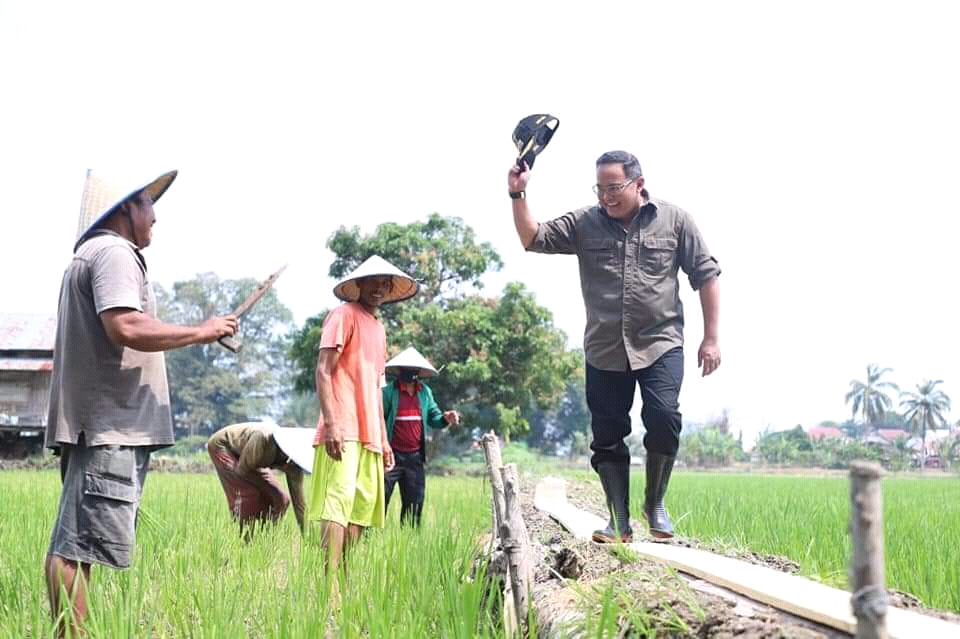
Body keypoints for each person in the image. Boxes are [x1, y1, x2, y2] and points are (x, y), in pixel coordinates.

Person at [44, 169, 238, 637]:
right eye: (150, 205)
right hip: (110, 425)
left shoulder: (93, 255)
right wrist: (202, 331)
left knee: (77, 544)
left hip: (102, 424)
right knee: (75, 548)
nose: (156, 217)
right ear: (127, 207)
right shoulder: (114, 252)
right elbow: (126, 327)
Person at [507, 150, 721, 543]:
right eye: (600, 188)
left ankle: (654, 504)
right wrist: (517, 194)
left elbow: (706, 275)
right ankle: (617, 520)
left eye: (614, 187)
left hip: (661, 342)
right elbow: (532, 237)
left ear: (638, 184)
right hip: (605, 347)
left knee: (663, 416)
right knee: (607, 435)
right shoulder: (585, 223)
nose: (606, 196)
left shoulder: (674, 220)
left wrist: (710, 338)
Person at [307, 255, 418, 583]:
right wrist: (332, 423)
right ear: (358, 285)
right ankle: (328, 587)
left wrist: (383, 439)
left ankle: (342, 579)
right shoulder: (342, 315)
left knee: (361, 509)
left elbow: (375, 387)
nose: (379, 288)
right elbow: (323, 370)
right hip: (343, 426)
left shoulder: (379, 328)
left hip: (370, 430)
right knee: (337, 505)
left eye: (385, 283)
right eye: (373, 281)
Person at [381, 347, 460, 527]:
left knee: (414, 505)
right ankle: (371, 541)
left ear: (418, 372)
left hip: (414, 457)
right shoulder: (388, 393)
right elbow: (378, 419)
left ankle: (408, 542)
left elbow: (434, 417)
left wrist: (446, 419)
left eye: (413, 370)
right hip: (390, 457)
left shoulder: (424, 393)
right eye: (406, 370)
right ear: (400, 371)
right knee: (380, 500)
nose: (409, 374)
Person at [207, 422, 314, 538]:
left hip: (250, 459)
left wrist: (308, 537)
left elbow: (299, 505)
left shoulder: (294, 466)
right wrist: (265, 491)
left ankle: (265, 539)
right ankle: (245, 542)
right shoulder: (263, 440)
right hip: (223, 447)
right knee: (249, 495)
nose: (289, 465)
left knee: (282, 499)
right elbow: (241, 471)